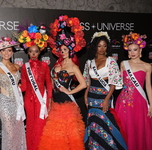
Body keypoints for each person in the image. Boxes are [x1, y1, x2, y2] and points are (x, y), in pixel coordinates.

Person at [38, 15, 86, 150]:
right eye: (61, 50)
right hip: (55, 102)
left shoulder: (73, 67)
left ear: (71, 50)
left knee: (68, 135)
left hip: (67, 104)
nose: (62, 52)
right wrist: (50, 100)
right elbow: (52, 83)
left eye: (65, 50)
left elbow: (83, 84)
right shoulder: (57, 64)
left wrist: (70, 91)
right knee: (55, 135)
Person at [83, 31, 127, 150]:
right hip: (92, 98)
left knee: (106, 124)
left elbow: (113, 83)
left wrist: (107, 99)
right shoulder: (89, 62)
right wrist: (85, 97)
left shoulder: (111, 61)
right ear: (95, 46)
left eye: (104, 46)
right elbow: (87, 82)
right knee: (93, 123)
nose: (102, 48)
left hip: (104, 97)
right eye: (99, 46)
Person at [14, 24, 53, 150]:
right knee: (31, 124)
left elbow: (49, 84)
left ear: (40, 51)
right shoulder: (25, 67)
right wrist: (15, 88)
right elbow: (24, 86)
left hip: (42, 100)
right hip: (29, 100)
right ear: (28, 52)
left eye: (36, 51)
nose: (33, 54)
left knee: (41, 124)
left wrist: (50, 100)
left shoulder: (45, 66)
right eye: (31, 51)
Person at [115, 32, 152, 150]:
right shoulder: (123, 64)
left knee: (139, 130)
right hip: (124, 103)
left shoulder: (147, 66)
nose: (132, 53)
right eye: (130, 50)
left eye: (135, 49)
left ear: (140, 50)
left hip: (140, 103)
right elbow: (118, 83)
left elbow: (148, 87)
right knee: (125, 130)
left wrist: (151, 105)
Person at [0, 37, 26, 150]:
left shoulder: (17, 67)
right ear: (0, 52)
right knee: (9, 133)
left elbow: (20, 85)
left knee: (18, 132)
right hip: (4, 103)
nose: (6, 53)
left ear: (13, 52)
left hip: (17, 103)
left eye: (9, 50)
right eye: (3, 50)